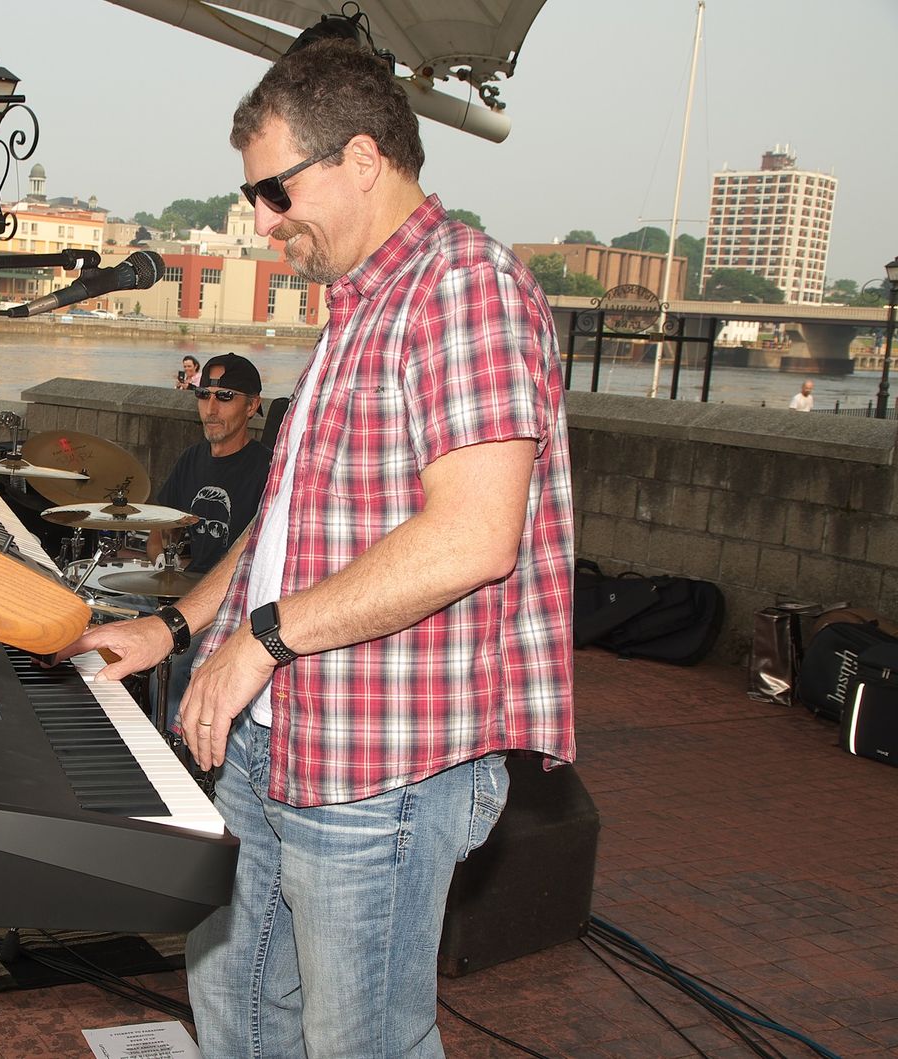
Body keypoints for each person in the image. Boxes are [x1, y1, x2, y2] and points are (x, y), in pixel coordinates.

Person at [61, 38, 574, 1058]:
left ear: (361, 159)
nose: (261, 219)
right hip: (273, 736)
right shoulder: (355, 307)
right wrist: (177, 627)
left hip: (383, 763)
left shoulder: (464, 286)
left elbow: (473, 537)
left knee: (362, 1042)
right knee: (234, 1007)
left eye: (274, 190)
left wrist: (259, 641)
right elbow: (289, 518)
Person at [148, 352, 273, 724]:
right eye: (203, 396)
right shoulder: (192, 459)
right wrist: (161, 562)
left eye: (225, 397)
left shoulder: (268, 468)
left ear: (252, 406)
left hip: (230, 607)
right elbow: (158, 527)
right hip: (184, 589)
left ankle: (169, 749)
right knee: (101, 618)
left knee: (172, 666)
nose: (211, 409)